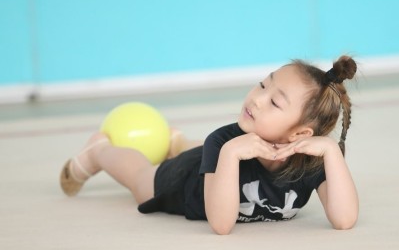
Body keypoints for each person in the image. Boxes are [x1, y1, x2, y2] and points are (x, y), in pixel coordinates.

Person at [60, 55, 359, 235]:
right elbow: (221, 224)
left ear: (299, 135)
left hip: (211, 159)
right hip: (185, 183)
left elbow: (344, 219)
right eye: (263, 84)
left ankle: (175, 140)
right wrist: (229, 154)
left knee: (202, 151)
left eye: (274, 102)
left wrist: (332, 151)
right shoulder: (223, 142)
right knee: (141, 180)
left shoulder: (311, 160)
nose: (256, 98)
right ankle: (99, 151)